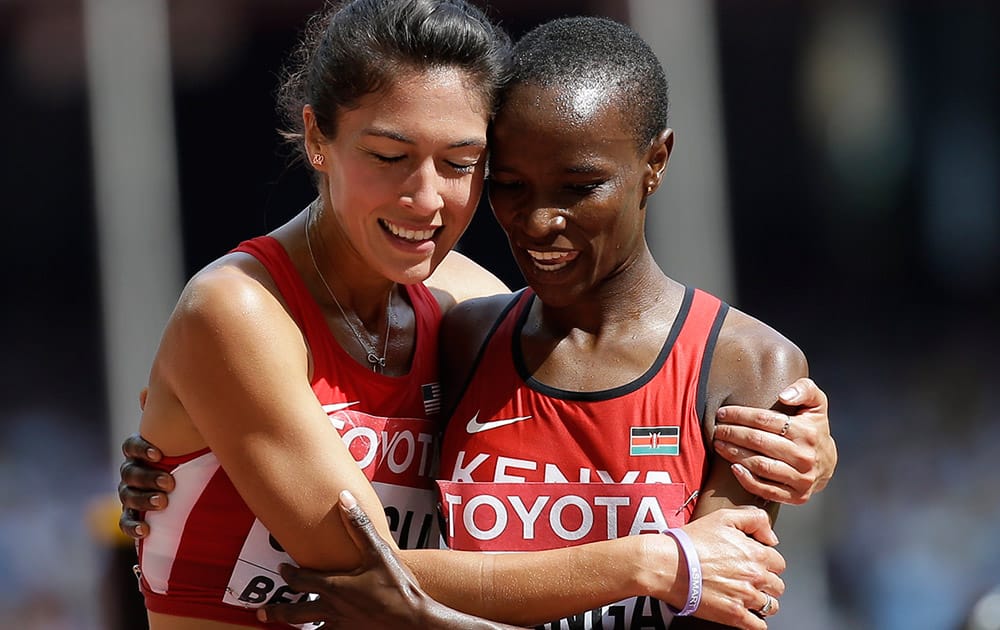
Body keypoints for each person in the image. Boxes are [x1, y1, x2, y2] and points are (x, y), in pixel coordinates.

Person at [121, 3, 836, 629]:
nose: (426, 198)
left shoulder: (460, 302)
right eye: (389, 155)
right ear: (317, 139)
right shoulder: (241, 308)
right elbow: (375, 578)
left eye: (461, 164)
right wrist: (656, 562)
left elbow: (620, 386)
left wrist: (802, 442)